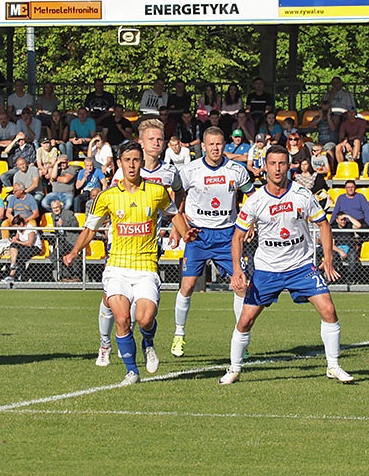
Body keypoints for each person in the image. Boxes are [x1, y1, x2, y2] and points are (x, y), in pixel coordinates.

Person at [218, 144, 353, 385]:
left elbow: (323, 224)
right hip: (267, 269)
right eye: (273, 164)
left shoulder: (302, 194)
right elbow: (237, 236)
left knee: (329, 311)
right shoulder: (256, 200)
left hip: (301, 267)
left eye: (282, 163)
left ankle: (333, 366)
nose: (278, 169)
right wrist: (237, 270)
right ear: (265, 167)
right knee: (246, 320)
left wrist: (328, 259)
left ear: (288, 166)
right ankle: (234, 368)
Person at [65, 141, 189, 385]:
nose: (132, 165)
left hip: (146, 267)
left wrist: (186, 234)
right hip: (117, 268)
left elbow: (174, 214)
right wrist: (73, 251)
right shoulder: (107, 196)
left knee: (145, 319)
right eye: (127, 160)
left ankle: (148, 342)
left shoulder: (156, 191)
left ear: (142, 162)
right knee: (122, 319)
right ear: (119, 164)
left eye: (136, 160)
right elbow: (91, 229)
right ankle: (131, 371)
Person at [96, 118, 184, 367]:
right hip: (119, 244)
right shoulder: (126, 169)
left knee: (141, 306)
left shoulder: (168, 171)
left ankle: (143, 341)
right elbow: (111, 202)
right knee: (110, 300)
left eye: (160, 139)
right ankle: (105, 343)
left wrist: (177, 227)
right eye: (152, 139)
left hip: (147, 244)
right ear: (141, 143)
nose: (157, 143)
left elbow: (178, 193)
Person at [170, 127, 255, 358]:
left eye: (219, 144)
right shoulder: (190, 171)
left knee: (240, 285)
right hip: (198, 235)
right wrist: (178, 228)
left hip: (228, 235)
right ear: (203, 146)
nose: (215, 148)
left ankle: (241, 340)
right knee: (187, 286)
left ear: (224, 144)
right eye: (211, 144)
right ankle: (179, 334)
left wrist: (251, 222)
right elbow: (177, 195)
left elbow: (251, 195)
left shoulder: (236, 171)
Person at [49, 198, 80, 281]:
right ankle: (64, 276)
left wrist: (64, 224)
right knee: (54, 256)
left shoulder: (69, 213)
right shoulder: (53, 215)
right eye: (53, 208)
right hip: (61, 241)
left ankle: (75, 276)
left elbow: (75, 225)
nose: (55, 210)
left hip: (72, 240)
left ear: (61, 206)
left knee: (73, 255)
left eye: (57, 207)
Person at [4, 215, 43, 283]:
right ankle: (13, 265)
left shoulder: (30, 229)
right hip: (24, 246)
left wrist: (17, 241)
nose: (16, 228)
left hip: (34, 247)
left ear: (21, 224)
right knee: (13, 245)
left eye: (17, 226)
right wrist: (14, 239)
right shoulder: (19, 229)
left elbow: (29, 243)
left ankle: (14, 275)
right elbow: (17, 237)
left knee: (19, 256)